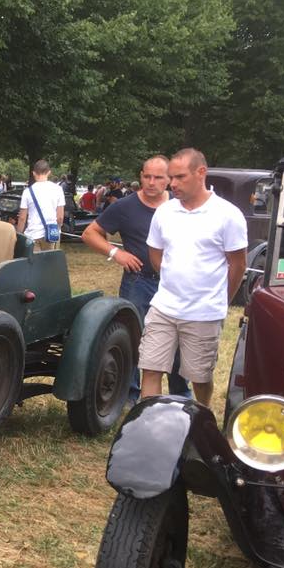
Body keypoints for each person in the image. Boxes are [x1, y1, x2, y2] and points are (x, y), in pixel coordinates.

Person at [137, 148, 248, 407]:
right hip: (163, 307)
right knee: (151, 368)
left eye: (180, 177)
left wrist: (220, 300)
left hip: (203, 313)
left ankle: (202, 417)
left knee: (199, 377)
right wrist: (171, 279)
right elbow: (155, 253)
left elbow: (238, 265)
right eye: (171, 178)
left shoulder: (227, 215)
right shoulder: (165, 212)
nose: (172, 184)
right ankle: (148, 424)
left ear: (201, 173)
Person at [81, 155, 190, 403]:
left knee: (178, 338)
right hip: (138, 282)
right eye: (146, 176)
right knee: (134, 337)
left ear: (169, 179)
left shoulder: (180, 206)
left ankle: (181, 397)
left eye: (158, 177)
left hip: (174, 284)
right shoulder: (124, 206)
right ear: (140, 176)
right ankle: (129, 395)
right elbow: (90, 234)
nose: (151, 182)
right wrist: (116, 252)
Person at [16, 159, 65, 251]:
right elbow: (60, 217)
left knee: (34, 264)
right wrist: (57, 228)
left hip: (32, 234)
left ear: (34, 173)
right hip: (51, 235)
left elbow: (22, 218)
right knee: (49, 264)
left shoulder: (27, 192)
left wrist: (18, 235)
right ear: (49, 172)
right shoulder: (58, 189)